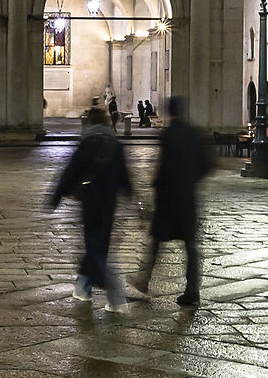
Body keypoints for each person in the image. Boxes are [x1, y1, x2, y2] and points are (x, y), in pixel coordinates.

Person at [49, 107, 132, 309]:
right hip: (109, 203)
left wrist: (56, 196)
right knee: (99, 244)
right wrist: (129, 192)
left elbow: (71, 171)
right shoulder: (115, 144)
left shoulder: (87, 142)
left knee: (94, 246)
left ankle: (115, 293)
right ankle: (82, 287)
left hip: (90, 201)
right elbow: (124, 174)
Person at [135, 95, 214, 307]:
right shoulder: (194, 134)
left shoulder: (169, 135)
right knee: (190, 246)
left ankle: (144, 280)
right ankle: (193, 290)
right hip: (187, 198)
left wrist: (157, 186)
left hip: (169, 199)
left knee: (157, 240)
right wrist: (191, 181)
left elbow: (164, 167)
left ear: (170, 112)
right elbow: (208, 164)